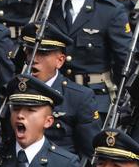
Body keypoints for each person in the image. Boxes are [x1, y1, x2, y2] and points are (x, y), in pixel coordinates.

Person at [50, 0, 133, 119]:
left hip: (96, 99)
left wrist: (125, 100)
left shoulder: (109, 11)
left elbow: (124, 62)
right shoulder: (48, 9)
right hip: (55, 99)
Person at [20, 24, 100, 159]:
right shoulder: (16, 91)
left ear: (60, 61)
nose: (34, 59)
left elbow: (89, 153)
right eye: (30, 51)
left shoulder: (78, 97)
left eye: (42, 53)